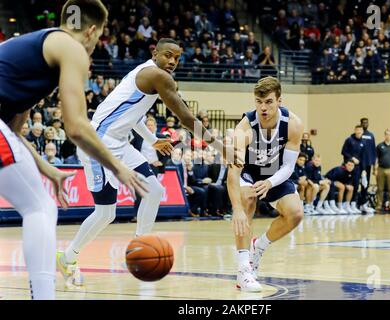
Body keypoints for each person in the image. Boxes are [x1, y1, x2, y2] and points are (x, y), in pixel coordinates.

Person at [0, 0, 148, 300]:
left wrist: (47, 169)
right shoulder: (72, 48)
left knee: (38, 203)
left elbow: (12, 135)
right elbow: (77, 127)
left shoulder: (34, 56)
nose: (97, 45)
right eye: (101, 37)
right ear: (92, 31)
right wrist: (117, 166)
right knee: (40, 207)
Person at [57, 38, 232, 289]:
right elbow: (186, 118)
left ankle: (141, 245)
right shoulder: (157, 76)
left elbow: (134, 116)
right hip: (97, 143)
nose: (172, 61)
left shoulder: (145, 75)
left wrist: (152, 140)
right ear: (155, 53)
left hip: (119, 142)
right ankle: (68, 257)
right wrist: (221, 148)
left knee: (155, 190)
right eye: (168, 55)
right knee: (106, 213)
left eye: (177, 57)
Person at [228, 76, 303, 292]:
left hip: (276, 174)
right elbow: (234, 171)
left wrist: (270, 182)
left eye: (269, 102)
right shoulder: (244, 128)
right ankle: (243, 270)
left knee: (295, 214)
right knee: (247, 200)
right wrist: (237, 209)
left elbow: (289, 167)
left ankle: (258, 247)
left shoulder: (293, 124)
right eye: (259, 102)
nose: (263, 107)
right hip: (249, 173)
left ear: (280, 100)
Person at [341, 125, 367, 214]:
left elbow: (364, 157)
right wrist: (352, 158)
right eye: (357, 130)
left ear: (362, 131)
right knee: (348, 185)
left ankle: (353, 204)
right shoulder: (349, 140)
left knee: (356, 186)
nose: (359, 131)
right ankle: (344, 204)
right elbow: (343, 151)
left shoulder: (363, 142)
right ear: (355, 130)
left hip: (358, 168)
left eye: (360, 130)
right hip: (348, 167)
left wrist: (363, 169)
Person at [359, 118, 376, 214]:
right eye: (363, 122)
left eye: (367, 122)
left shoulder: (371, 135)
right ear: (360, 124)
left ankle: (363, 204)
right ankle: (353, 204)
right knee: (356, 183)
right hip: (359, 164)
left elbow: (373, 151)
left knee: (365, 184)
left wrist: (374, 166)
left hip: (368, 164)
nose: (365, 124)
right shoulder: (358, 135)